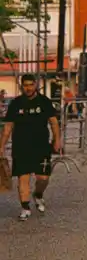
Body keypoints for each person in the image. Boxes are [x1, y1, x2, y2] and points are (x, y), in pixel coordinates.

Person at [1, 73, 61, 222]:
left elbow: (53, 122)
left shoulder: (44, 102)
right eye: (25, 85)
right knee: (23, 177)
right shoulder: (15, 104)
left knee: (43, 178)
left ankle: (38, 194)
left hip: (41, 146)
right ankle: (25, 207)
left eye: (30, 85)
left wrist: (57, 140)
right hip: (21, 147)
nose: (28, 88)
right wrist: (1, 145)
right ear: (22, 86)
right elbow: (8, 126)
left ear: (36, 85)